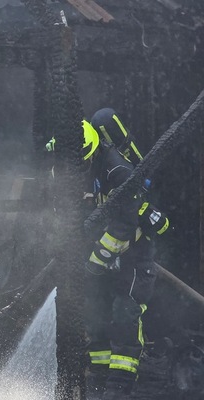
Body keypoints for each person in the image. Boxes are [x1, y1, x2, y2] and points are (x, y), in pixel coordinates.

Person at [81, 110, 157, 399]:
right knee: (97, 314)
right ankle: (99, 380)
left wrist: (99, 256)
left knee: (125, 313)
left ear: (93, 149)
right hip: (107, 257)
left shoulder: (117, 170)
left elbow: (125, 223)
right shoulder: (90, 167)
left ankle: (120, 387)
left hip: (135, 256)